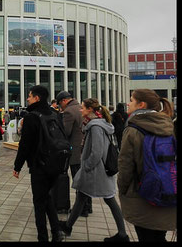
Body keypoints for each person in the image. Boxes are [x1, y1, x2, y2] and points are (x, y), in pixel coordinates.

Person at [58, 98, 129, 242]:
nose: (80, 109)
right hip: (99, 170)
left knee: (109, 199)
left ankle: (123, 234)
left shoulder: (96, 126)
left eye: (83, 107)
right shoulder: (99, 124)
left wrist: (87, 166)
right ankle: (68, 226)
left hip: (97, 171)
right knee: (82, 197)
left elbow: (97, 152)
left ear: (90, 110)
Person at [117, 89, 176, 242]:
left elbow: (125, 166)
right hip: (168, 190)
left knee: (146, 237)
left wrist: (122, 189)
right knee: (159, 237)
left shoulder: (133, 129)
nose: (128, 103)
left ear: (141, 104)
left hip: (142, 194)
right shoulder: (168, 126)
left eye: (131, 100)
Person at [12, 85, 63, 242]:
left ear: (37, 98)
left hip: (39, 165)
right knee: (46, 197)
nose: (27, 98)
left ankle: (43, 237)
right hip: (56, 163)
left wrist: (17, 166)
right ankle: (56, 232)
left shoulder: (31, 117)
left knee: (39, 203)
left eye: (29, 96)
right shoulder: (55, 114)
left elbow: (25, 145)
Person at [55, 90, 90, 216]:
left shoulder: (69, 111)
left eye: (60, 104)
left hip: (75, 151)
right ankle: (88, 206)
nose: (60, 107)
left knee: (77, 179)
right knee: (84, 180)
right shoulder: (80, 107)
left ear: (64, 100)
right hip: (84, 149)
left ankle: (82, 209)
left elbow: (66, 131)